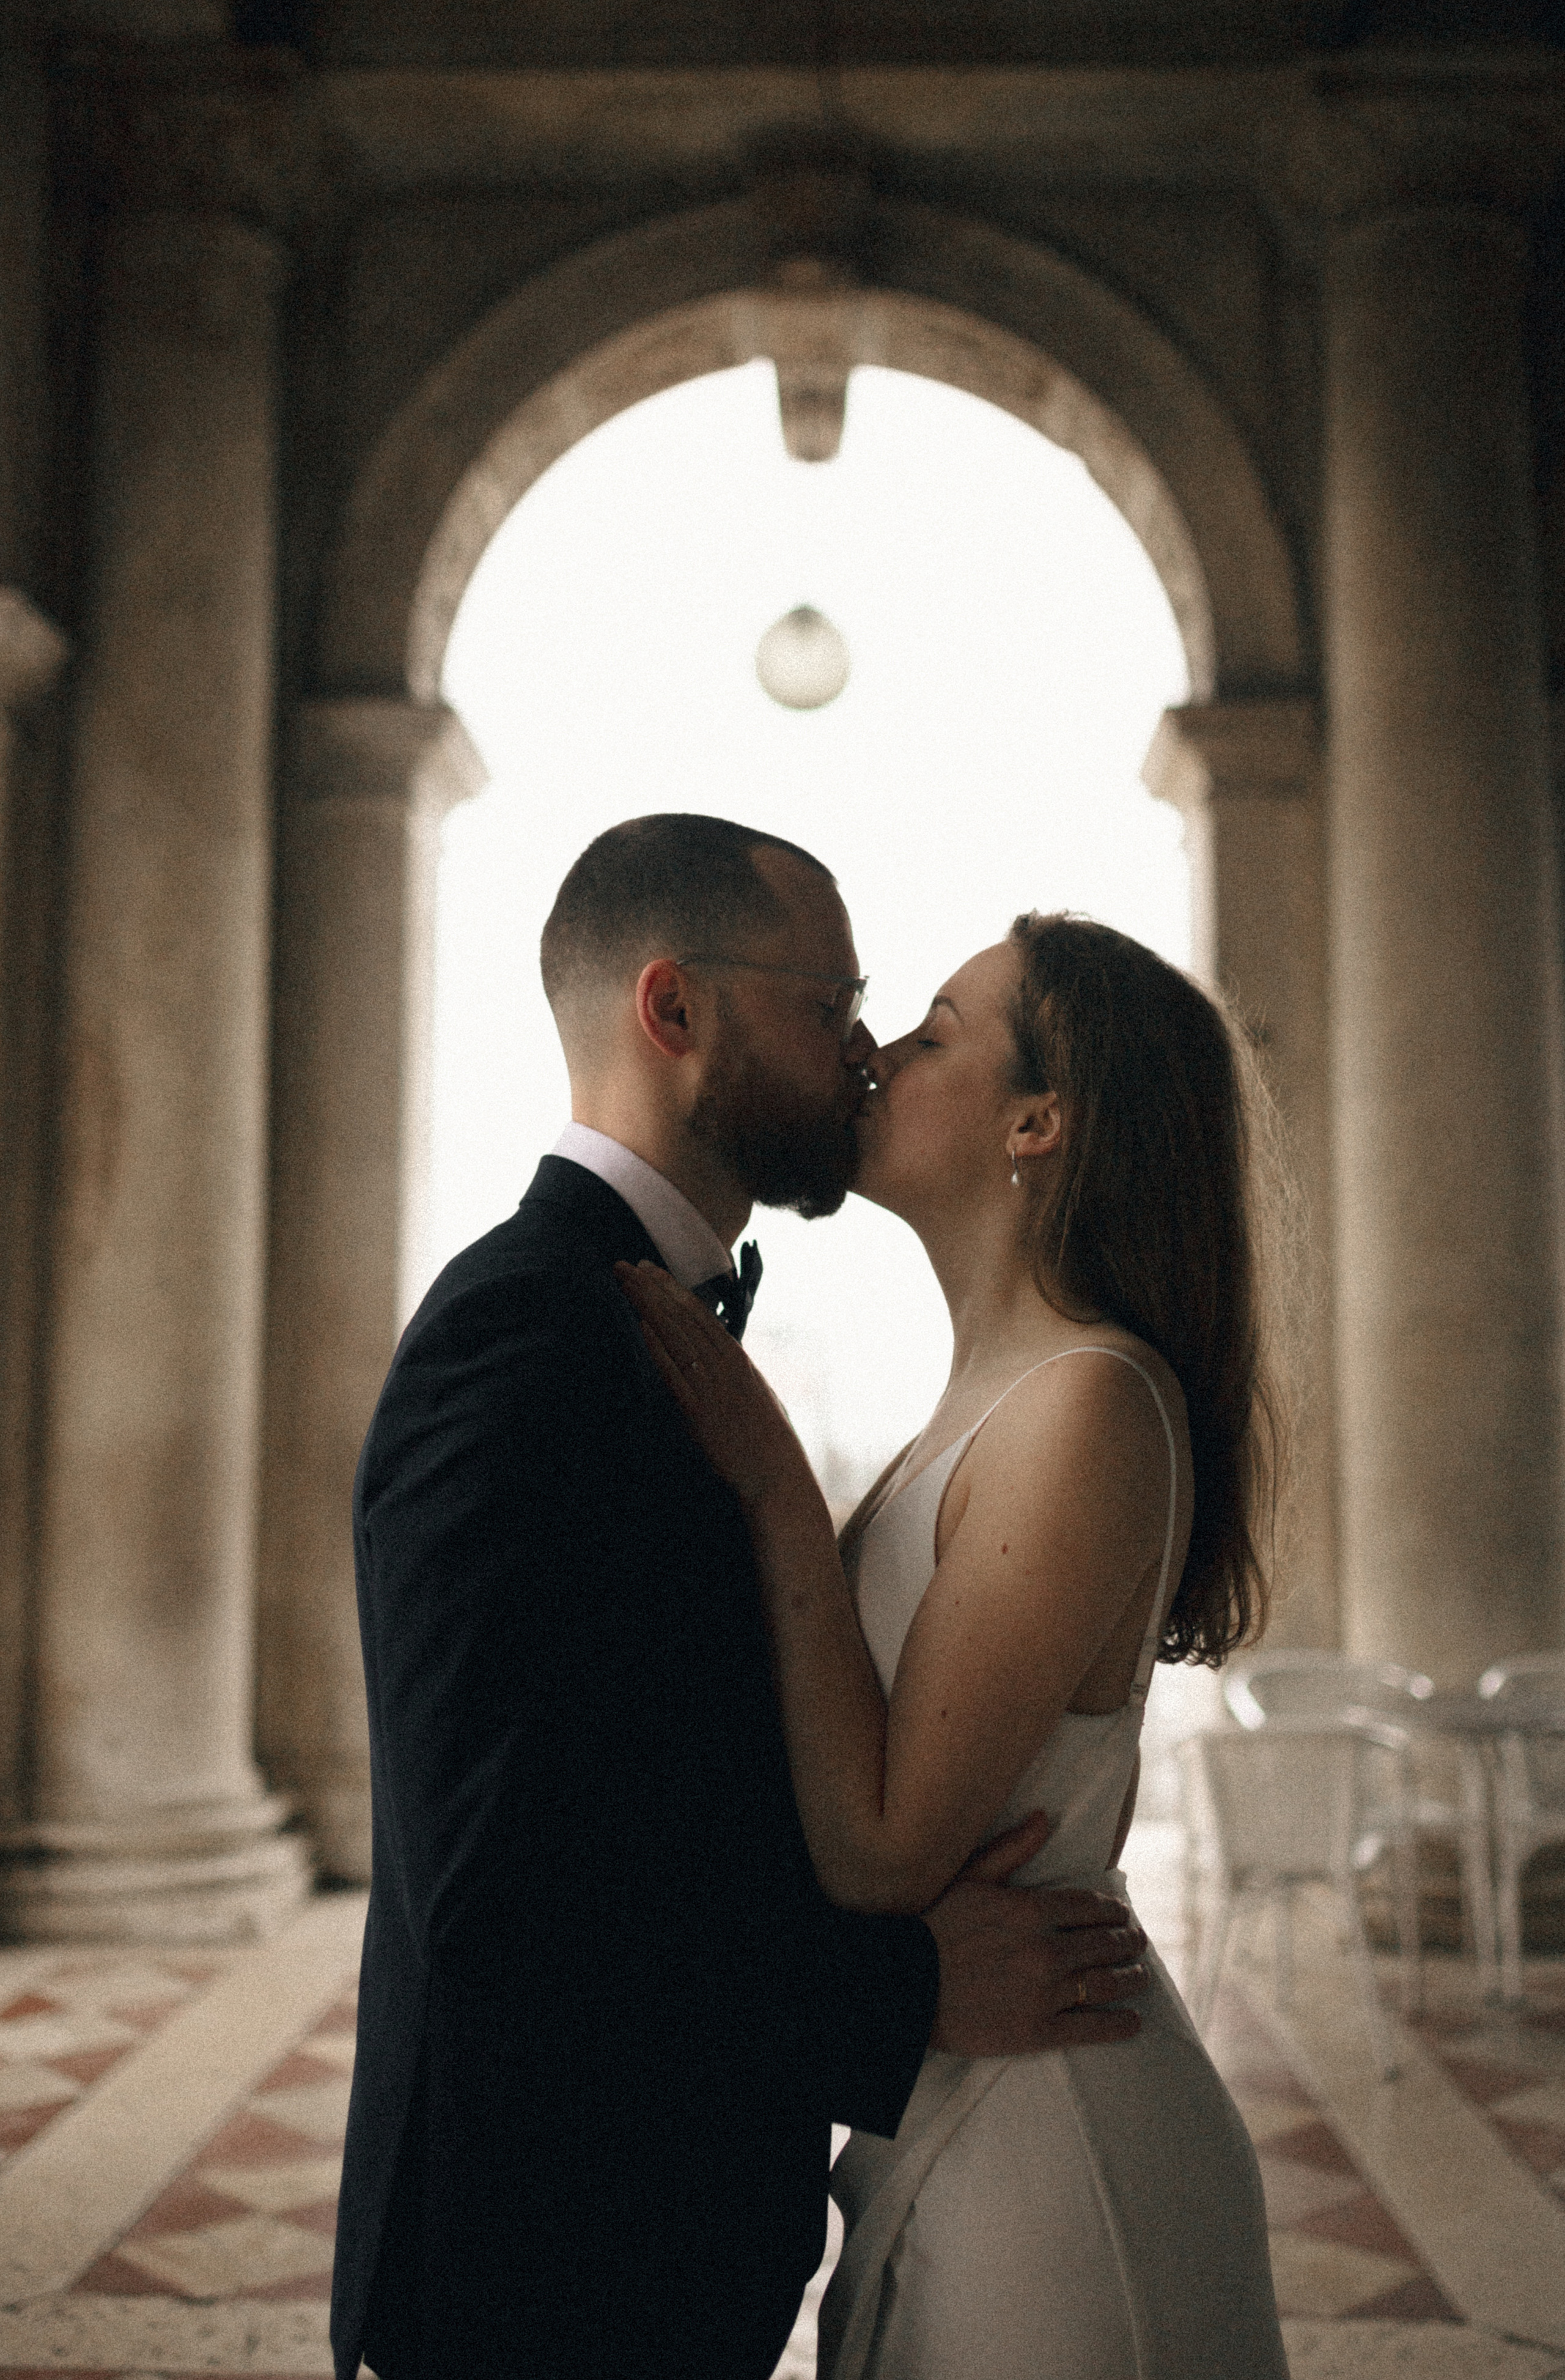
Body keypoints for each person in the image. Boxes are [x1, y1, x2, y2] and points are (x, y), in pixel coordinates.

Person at [331, 821, 1154, 2380]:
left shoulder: (651, 1325)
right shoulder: (517, 1334)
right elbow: (495, 1899)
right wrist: (894, 1992)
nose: (861, 1051)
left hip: (661, 2231)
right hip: (538, 2265)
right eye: (834, 1000)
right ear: (676, 1011)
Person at [621, 911, 1291, 2380]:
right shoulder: (992, 1395)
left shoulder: (1088, 1401)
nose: (874, 1053)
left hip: (1060, 2150)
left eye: (930, 1033)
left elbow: (879, 1850)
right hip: (963, 2095)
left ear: (1036, 1120)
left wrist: (774, 1482)